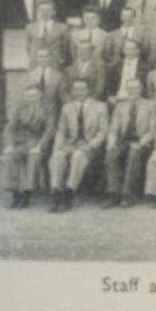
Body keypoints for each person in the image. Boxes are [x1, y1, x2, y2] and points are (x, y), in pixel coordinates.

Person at [49, 79, 109, 213]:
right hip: (71, 143)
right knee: (57, 156)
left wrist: (91, 145)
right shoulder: (67, 107)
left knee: (78, 157)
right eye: (76, 89)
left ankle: (69, 192)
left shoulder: (100, 107)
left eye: (82, 89)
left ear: (88, 90)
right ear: (72, 91)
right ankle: (56, 192)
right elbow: (61, 131)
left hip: (89, 145)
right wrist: (57, 147)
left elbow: (103, 131)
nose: (79, 92)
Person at [103, 78, 156, 209]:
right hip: (123, 141)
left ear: (141, 89)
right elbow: (113, 128)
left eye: (136, 88)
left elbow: (153, 129)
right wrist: (111, 143)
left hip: (142, 141)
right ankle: (113, 193)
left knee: (134, 154)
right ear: (127, 90)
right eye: (130, 88)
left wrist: (140, 143)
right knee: (110, 154)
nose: (133, 91)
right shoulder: (120, 106)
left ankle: (128, 194)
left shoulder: (151, 105)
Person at [3, 85, 55, 209]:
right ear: (25, 97)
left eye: (35, 95)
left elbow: (50, 130)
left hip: (37, 143)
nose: (32, 98)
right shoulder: (20, 108)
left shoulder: (48, 109)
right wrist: (9, 145)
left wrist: (40, 146)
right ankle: (15, 194)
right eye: (29, 96)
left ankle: (27, 194)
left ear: (40, 97)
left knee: (33, 158)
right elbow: (10, 128)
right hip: (19, 143)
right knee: (9, 157)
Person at [26, 0, 69, 69]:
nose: (45, 13)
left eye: (48, 10)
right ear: (38, 12)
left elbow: (65, 48)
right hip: (35, 65)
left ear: (53, 12)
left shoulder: (62, 28)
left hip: (55, 65)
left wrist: (60, 60)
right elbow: (28, 47)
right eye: (42, 10)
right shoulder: (30, 27)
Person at [28, 47, 66, 111]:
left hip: (52, 112)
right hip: (33, 113)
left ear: (50, 58)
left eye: (46, 56)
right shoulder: (30, 75)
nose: (43, 59)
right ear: (36, 58)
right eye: (40, 56)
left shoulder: (59, 76)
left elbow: (63, 96)